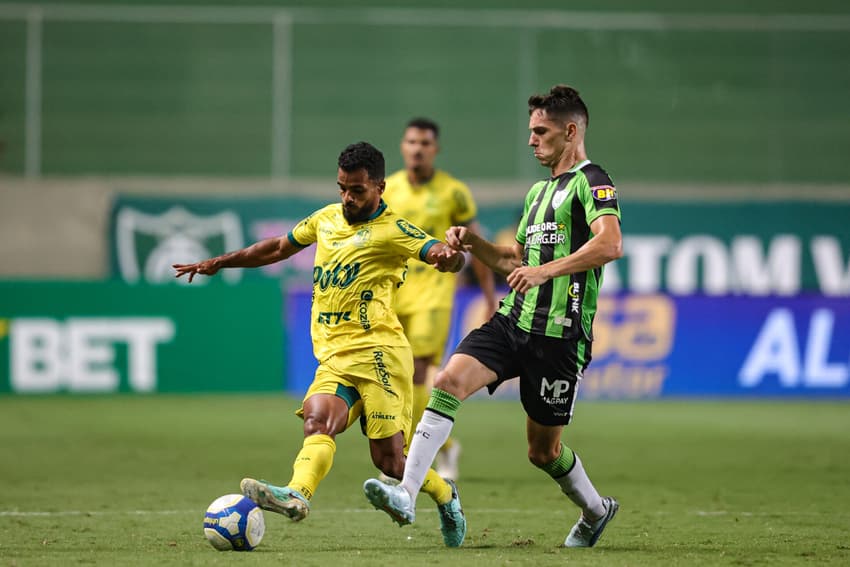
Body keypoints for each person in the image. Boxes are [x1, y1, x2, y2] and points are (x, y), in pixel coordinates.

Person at [364, 85, 623, 548]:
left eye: (540, 131)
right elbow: (512, 260)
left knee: (543, 453)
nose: (531, 140)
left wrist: (546, 270)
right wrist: (473, 244)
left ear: (570, 131)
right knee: (447, 382)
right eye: (530, 131)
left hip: (559, 338)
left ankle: (596, 510)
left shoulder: (593, 181)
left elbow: (610, 244)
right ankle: (405, 493)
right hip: (512, 322)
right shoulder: (539, 192)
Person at [173, 141, 468, 547]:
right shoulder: (326, 219)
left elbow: (437, 251)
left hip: (380, 356)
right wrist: (221, 261)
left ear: (380, 187)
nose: (348, 197)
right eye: (342, 188)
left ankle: (446, 495)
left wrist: (449, 257)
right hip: (334, 356)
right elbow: (278, 247)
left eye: (358, 190)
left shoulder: (393, 230)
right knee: (317, 419)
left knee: (390, 462)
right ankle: (297, 494)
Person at [383, 118, 497, 480]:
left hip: (434, 295)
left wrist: (490, 297)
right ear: (403, 146)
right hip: (392, 294)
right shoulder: (388, 190)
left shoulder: (454, 192)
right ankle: (446, 447)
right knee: (393, 378)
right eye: (412, 142)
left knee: (418, 370)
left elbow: (475, 247)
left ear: (435, 149)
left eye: (425, 143)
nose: (418, 148)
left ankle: (405, 456)